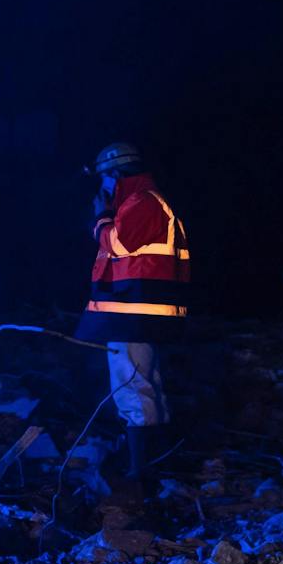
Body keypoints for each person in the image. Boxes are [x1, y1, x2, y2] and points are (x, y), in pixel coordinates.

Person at [75, 142, 190, 511]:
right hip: (136, 312)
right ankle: (154, 466)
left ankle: (143, 475)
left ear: (115, 174)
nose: (103, 187)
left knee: (132, 386)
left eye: (105, 179)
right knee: (145, 384)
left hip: (133, 314)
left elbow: (120, 244)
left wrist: (101, 218)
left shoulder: (140, 202)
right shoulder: (145, 200)